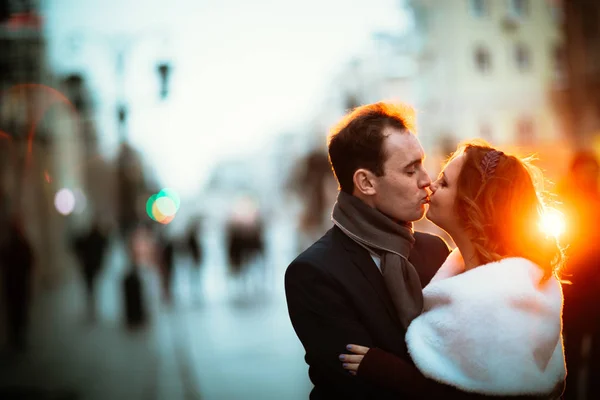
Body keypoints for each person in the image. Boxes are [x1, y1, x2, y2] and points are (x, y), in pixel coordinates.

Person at [340, 141, 567, 399]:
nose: (430, 186)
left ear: (472, 206)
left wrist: (391, 372)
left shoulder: (497, 300)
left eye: (444, 183)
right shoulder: (487, 276)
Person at [285, 102, 456, 400]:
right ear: (365, 182)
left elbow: (465, 362)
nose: (426, 180)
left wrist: (386, 368)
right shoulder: (313, 273)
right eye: (410, 170)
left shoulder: (437, 251)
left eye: (422, 164)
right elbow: (359, 388)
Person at [556, 150, 600, 400]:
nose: (589, 175)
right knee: (568, 349)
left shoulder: (597, 200)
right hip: (572, 289)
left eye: (593, 170)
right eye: (584, 170)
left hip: (596, 289)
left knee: (596, 356)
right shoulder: (563, 203)